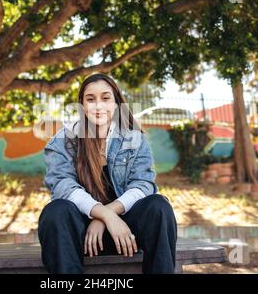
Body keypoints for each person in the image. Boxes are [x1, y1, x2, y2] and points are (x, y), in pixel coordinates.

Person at [38, 73, 177, 274]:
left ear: (116, 103)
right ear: (82, 105)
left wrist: (108, 216)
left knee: (159, 205)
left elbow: (143, 185)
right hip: (80, 236)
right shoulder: (63, 141)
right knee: (56, 211)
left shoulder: (134, 139)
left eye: (105, 98)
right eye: (90, 99)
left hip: (125, 233)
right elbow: (61, 186)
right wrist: (102, 214)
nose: (98, 106)